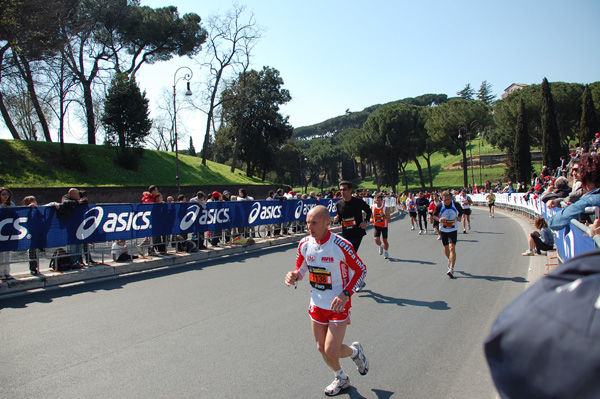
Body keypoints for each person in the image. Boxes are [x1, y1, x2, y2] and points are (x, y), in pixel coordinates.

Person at [284, 205, 369, 396]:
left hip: (338, 304)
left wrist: (346, 293)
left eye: (314, 223)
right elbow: (301, 270)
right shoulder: (305, 244)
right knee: (321, 348)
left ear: (327, 224)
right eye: (307, 223)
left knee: (331, 350)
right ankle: (341, 377)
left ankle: (356, 353)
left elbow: (361, 270)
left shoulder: (341, 245)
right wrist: (293, 276)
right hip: (317, 303)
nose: (309, 227)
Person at [549, 154, 600, 231]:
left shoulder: (588, 201)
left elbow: (554, 223)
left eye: (576, 169)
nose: (573, 173)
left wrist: (572, 210)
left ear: (585, 172)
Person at [334, 181, 372, 253]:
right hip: (346, 233)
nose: (342, 191)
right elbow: (340, 218)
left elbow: (369, 211)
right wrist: (336, 220)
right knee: (347, 255)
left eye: (344, 189)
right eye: (340, 190)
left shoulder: (358, 202)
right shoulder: (339, 204)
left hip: (357, 232)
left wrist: (365, 221)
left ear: (350, 190)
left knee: (351, 253)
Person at [433, 191, 463, 278]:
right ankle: (450, 260)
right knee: (446, 248)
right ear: (442, 199)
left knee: (452, 247)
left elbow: (461, 211)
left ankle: (451, 269)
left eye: (448, 199)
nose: (447, 201)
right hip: (443, 229)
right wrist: (439, 219)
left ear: (451, 198)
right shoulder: (440, 205)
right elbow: (433, 215)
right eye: (445, 200)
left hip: (453, 229)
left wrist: (459, 217)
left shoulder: (455, 204)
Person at [0, 187, 15, 280]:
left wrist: (11, 209)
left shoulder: (11, 203)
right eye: (3, 194)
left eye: (7, 194)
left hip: (8, 231)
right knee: (1, 253)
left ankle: (7, 272)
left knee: (8, 252)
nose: (6, 196)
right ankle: (1, 272)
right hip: (0, 231)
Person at [370, 193, 391, 259]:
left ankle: (386, 251)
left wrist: (383, 215)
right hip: (376, 226)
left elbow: (389, 218)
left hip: (384, 226)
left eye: (379, 200)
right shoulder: (372, 207)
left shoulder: (385, 208)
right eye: (376, 200)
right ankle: (380, 246)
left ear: (382, 200)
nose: (377, 202)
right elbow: (371, 217)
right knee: (376, 240)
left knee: (385, 240)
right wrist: (371, 220)